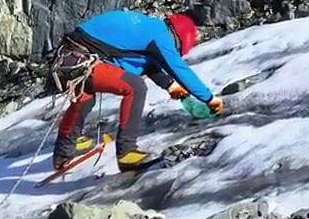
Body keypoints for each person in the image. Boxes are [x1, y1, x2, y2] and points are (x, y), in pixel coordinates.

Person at [48, 9, 224, 172]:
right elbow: (178, 69)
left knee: (85, 97)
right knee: (135, 87)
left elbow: (146, 62)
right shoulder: (161, 36)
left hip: (68, 58)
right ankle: (127, 153)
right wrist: (209, 98)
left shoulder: (149, 26)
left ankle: (64, 150)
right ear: (180, 38)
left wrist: (170, 85)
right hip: (80, 60)